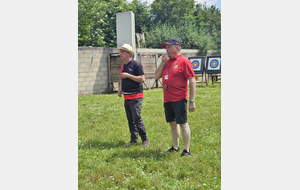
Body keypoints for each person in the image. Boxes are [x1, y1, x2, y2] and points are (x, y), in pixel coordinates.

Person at [154, 38, 196, 157]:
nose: (166, 50)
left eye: (169, 47)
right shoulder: (166, 62)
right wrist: (162, 63)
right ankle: (175, 147)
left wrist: (192, 101)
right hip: (168, 99)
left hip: (179, 99)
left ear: (177, 47)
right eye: (166, 47)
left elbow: (192, 81)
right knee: (172, 124)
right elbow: (156, 76)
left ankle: (186, 150)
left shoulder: (184, 62)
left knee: (183, 123)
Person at [117, 43, 150, 148]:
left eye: (122, 51)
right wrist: (120, 89)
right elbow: (122, 78)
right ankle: (133, 139)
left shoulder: (136, 65)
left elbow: (142, 79)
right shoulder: (123, 66)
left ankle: (145, 139)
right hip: (127, 97)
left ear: (129, 53)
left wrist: (128, 75)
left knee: (137, 118)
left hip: (136, 96)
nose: (120, 53)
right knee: (130, 119)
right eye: (120, 52)